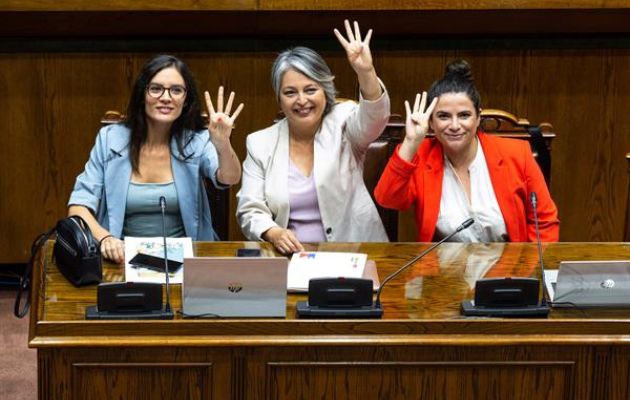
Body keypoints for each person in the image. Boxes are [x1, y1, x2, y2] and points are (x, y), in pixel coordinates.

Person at [68, 54, 243, 263]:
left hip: (187, 261)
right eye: (156, 88)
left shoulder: (196, 141)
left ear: (186, 100)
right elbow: (78, 207)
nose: (166, 97)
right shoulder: (110, 139)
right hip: (121, 260)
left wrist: (223, 143)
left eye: (176, 90)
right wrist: (105, 238)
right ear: (143, 94)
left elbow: (229, 178)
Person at [236, 20, 390, 254]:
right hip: (291, 258)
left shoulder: (344, 121)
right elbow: (249, 209)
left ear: (325, 91)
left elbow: (375, 119)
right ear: (279, 99)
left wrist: (365, 71)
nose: (301, 100)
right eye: (290, 92)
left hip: (355, 252)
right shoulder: (259, 143)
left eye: (310, 89)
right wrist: (273, 232)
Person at [374, 60, 559, 242]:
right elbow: (387, 199)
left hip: (508, 268)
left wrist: (530, 268)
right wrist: (411, 142)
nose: (455, 126)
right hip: (443, 268)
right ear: (431, 122)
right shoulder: (421, 155)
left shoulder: (517, 153)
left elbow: (544, 222)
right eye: (443, 116)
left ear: (478, 117)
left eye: (464, 115)